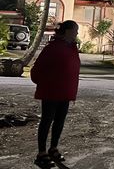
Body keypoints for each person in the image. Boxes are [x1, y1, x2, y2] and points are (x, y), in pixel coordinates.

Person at [31, 20, 81, 169]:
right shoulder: (52, 48)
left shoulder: (72, 48)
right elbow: (37, 70)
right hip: (51, 92)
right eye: (75, 30)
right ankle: (41, 153)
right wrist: (45, 83)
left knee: (59, 121)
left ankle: (53, 148)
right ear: (67, 31)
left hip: (65, 92)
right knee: (47, 121)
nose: (77, 33)